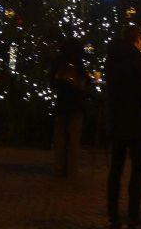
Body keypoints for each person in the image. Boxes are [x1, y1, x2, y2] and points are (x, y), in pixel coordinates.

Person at [105, 26, 141, 229]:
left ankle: (113, 215)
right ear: (139, 40)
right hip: (137, 125)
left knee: (115, 171)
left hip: (117, 122)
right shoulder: (139, 61)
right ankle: (133, 215)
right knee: (137, 172)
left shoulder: (112, 60)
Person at [50, 37, 90, 178]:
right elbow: (86, 81)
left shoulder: (58, 61)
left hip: (62, 103)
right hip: (77, 104)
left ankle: (59, 168)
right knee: (74, 139)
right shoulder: (78, 63)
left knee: (60, 137)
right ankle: (72, 170)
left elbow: (52, 82)